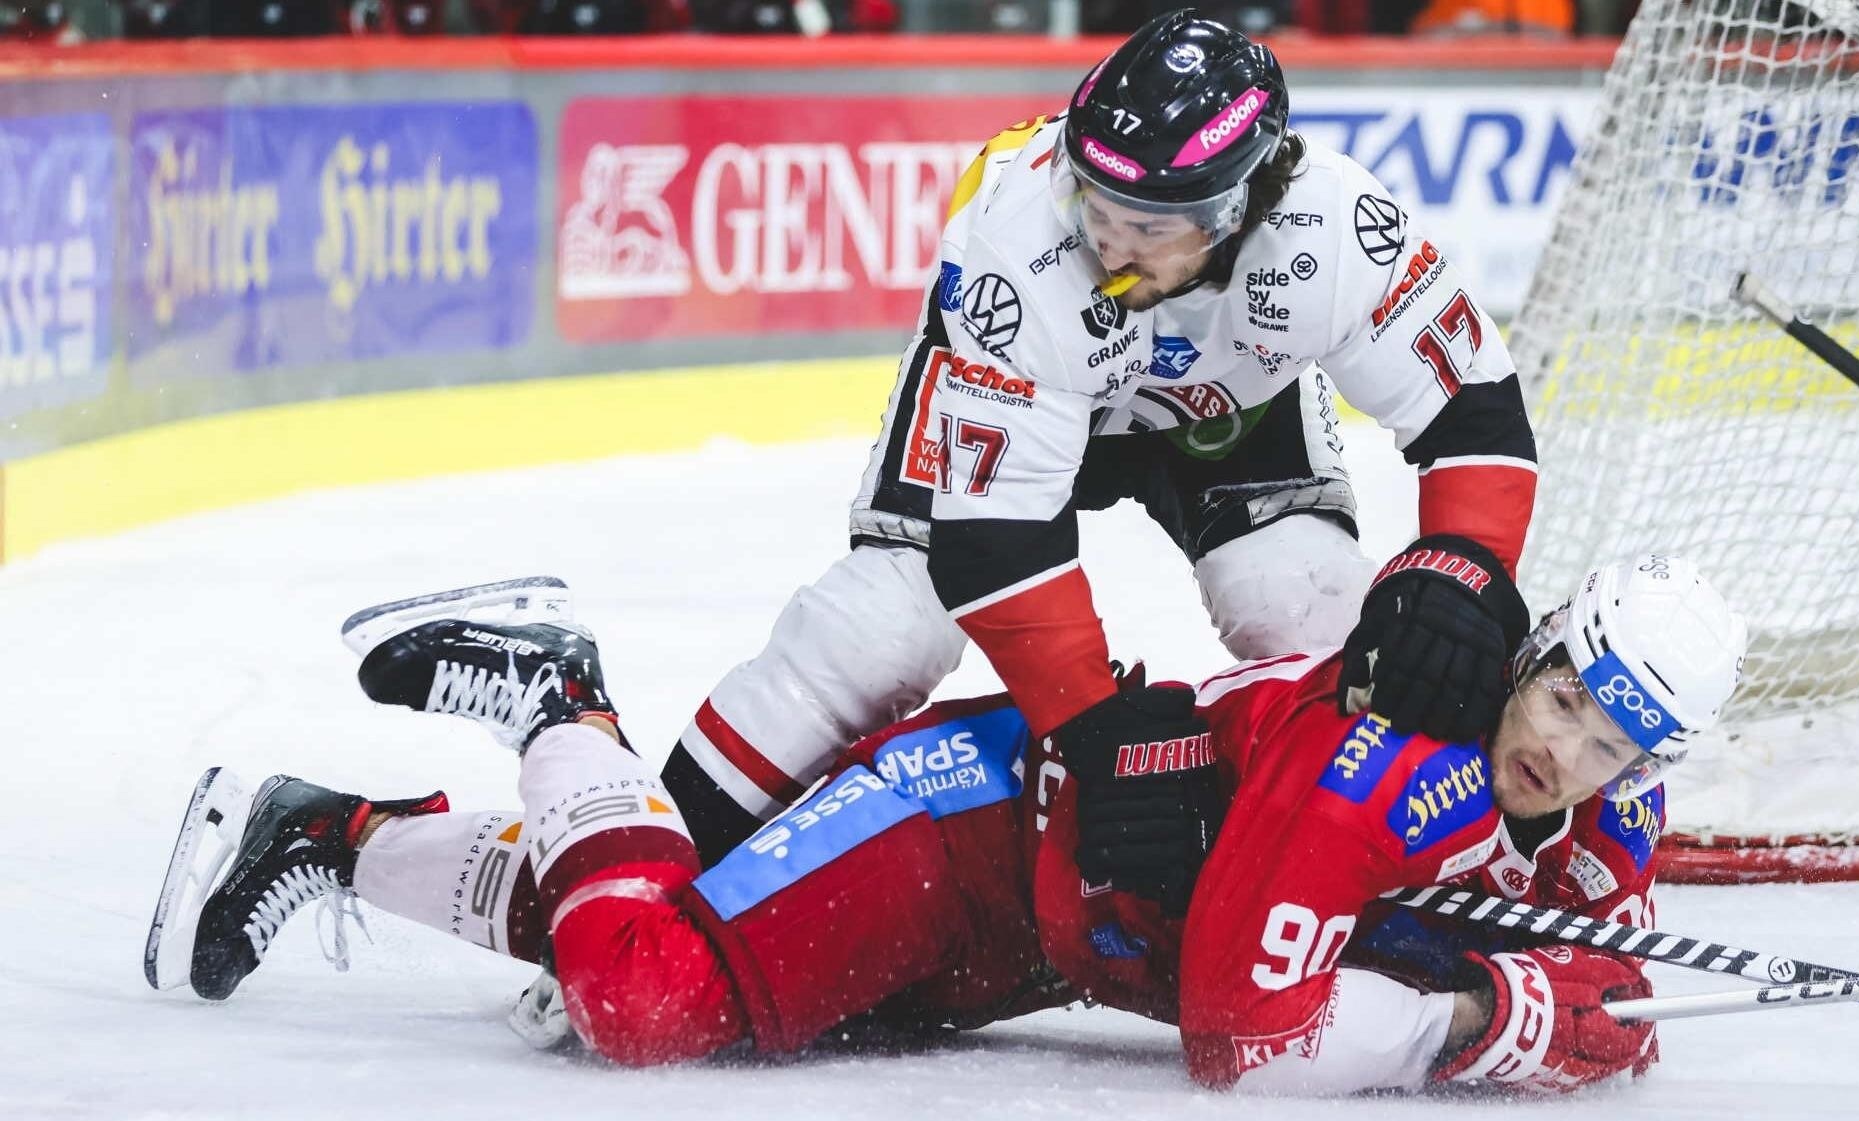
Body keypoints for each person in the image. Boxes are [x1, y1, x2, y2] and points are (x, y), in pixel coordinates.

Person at [147, 552, 1746, 1096]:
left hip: (1032, 942)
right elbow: (1244, 1039)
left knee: (619, 946)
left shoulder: (1602, 786)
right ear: (1533, 656)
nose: (1568, 758)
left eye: (1611, 745)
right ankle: (566, 696)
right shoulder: (1392, 761)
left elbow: (1620, 991)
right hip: (969, 832)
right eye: (1560, 706)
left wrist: (1543, 1000)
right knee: (644, 1003)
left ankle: (321, 831)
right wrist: (1490, 1014)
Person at [620, 9, 1542, 909]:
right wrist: (1095, 731)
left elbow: (1474, 409)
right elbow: (996, 541)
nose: (1107, 239)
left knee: (1308, 608)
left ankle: (1386, 871)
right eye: (1095, 199)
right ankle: (652, 863)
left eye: (1148, 222)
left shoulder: (1334, 228)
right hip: (1016, 392)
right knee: (880, 631)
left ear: (1236, 207)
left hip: (1229, 405)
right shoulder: (1017, 254)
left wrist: (1464, 567)